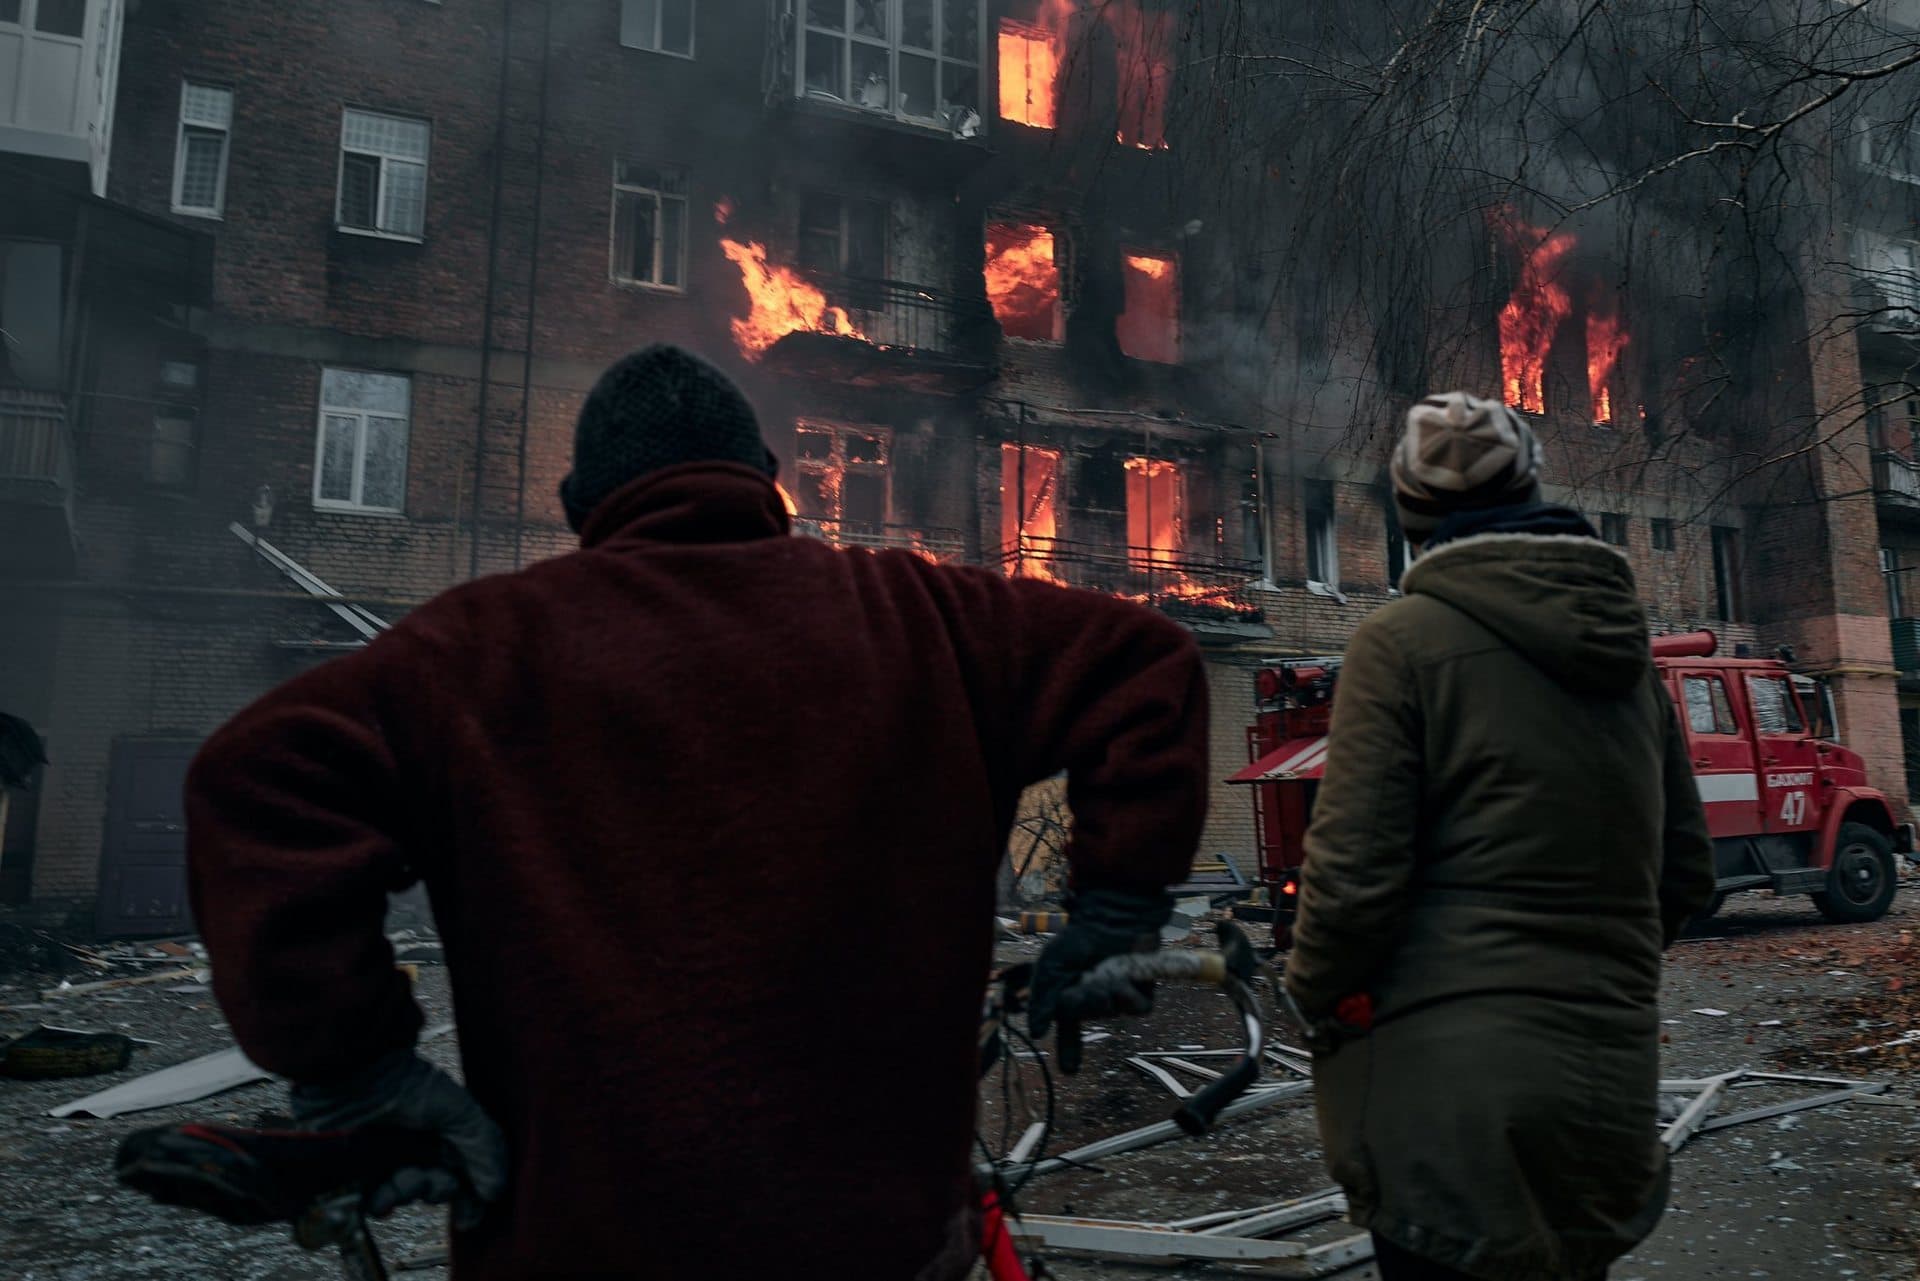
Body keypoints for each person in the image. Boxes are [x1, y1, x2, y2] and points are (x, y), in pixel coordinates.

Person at [185, 344, 1208, 1280]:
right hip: (875, 1241)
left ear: (580, 502)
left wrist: (355, 1064)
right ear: (768, 479)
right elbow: (1146, 659)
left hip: (579, 1247)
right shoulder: (926, 616)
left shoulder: (482, 652)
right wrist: (1117, 907)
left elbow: (257, 779)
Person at [1281, 392, 1715, 1281]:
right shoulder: (1628, 656)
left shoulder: (1398, 641)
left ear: (1411, 511)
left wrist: (1316, 995)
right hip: (1604, 1087)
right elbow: (1684, 873)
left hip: (1442, 1099)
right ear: (1532, 483)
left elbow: (1352, 879)